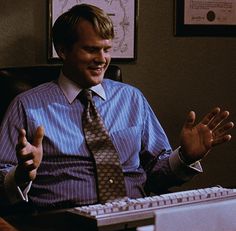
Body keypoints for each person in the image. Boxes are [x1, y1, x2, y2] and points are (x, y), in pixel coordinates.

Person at [0, 4, 234, 212]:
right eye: (91, 49)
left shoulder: (132, 99)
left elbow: (156, 176)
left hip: (133, 215)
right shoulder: (27, 105)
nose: (102, 59)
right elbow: (2, 178)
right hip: (63, 222)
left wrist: (184, 157)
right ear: (63, 50)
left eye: (107, 49)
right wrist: (21, 174)